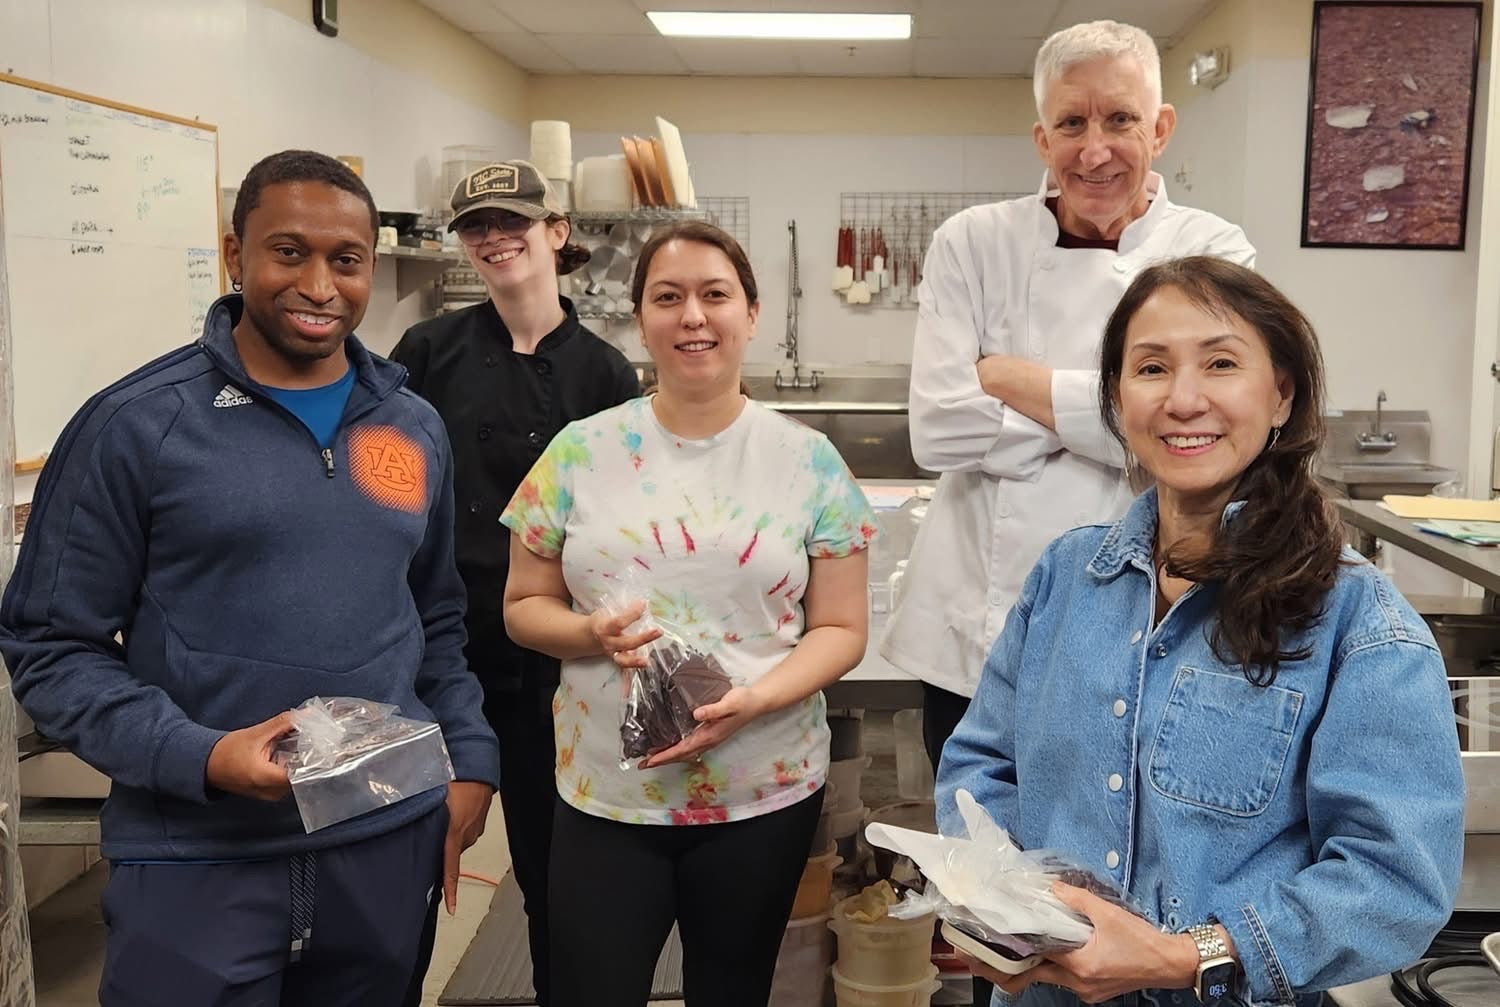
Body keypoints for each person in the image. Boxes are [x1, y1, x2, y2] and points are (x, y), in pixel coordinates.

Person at [0, 150, 499, 1006]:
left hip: (381, 849)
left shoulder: (411, 426)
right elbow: (50, 648)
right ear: (235, 256)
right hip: (198, 859)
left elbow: (435, 619)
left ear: (368, 270)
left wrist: (473, 762)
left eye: (345, 260)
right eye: (288, 251)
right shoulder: (136, 426)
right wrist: (202, 755)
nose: (318, 284)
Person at [938, 256, 1464, 1007]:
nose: (1184, 399)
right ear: (1118, 400)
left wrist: (1183, 954)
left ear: (1281, 393)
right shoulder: (1065, 576)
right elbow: (981, 765)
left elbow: (1395, 879)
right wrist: (1007, 904)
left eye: (1220, 363)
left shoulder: (1359, 620)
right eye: (1151, 367)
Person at [881, 38, 1255, 992]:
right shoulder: (975, 240)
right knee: (986, 899)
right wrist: (1119, 418)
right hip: (977, 627)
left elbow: (1209, 425)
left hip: (1147, 624)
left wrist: (1013, 382)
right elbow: (938, 429)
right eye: (1073, 124)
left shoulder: (1214, 251)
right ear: (1041, 135)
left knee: (1132, 871)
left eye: (1120, 119)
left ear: (1161, 128)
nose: (1096, 148)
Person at [500, 221, 875, 1007]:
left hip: (760, 789)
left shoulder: (809, 462)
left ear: (752, 313)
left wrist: (758, 699)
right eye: (668, 298)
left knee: (731, 990)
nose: (693, 316)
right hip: (607, 788)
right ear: (641, 318)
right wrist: (587, 632)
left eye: (715, 295)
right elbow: (522, 607)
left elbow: (841, 629)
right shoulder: (577, 452)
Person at [390, 160, 637, 1004]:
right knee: (418, 857)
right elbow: (384, 477)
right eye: (477, 227)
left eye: (512, 223)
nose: (494, 239)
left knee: (552, 870)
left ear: (556, 233)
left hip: (551, 657)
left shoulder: (603, 372)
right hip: (443, 648)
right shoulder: (427, 352)